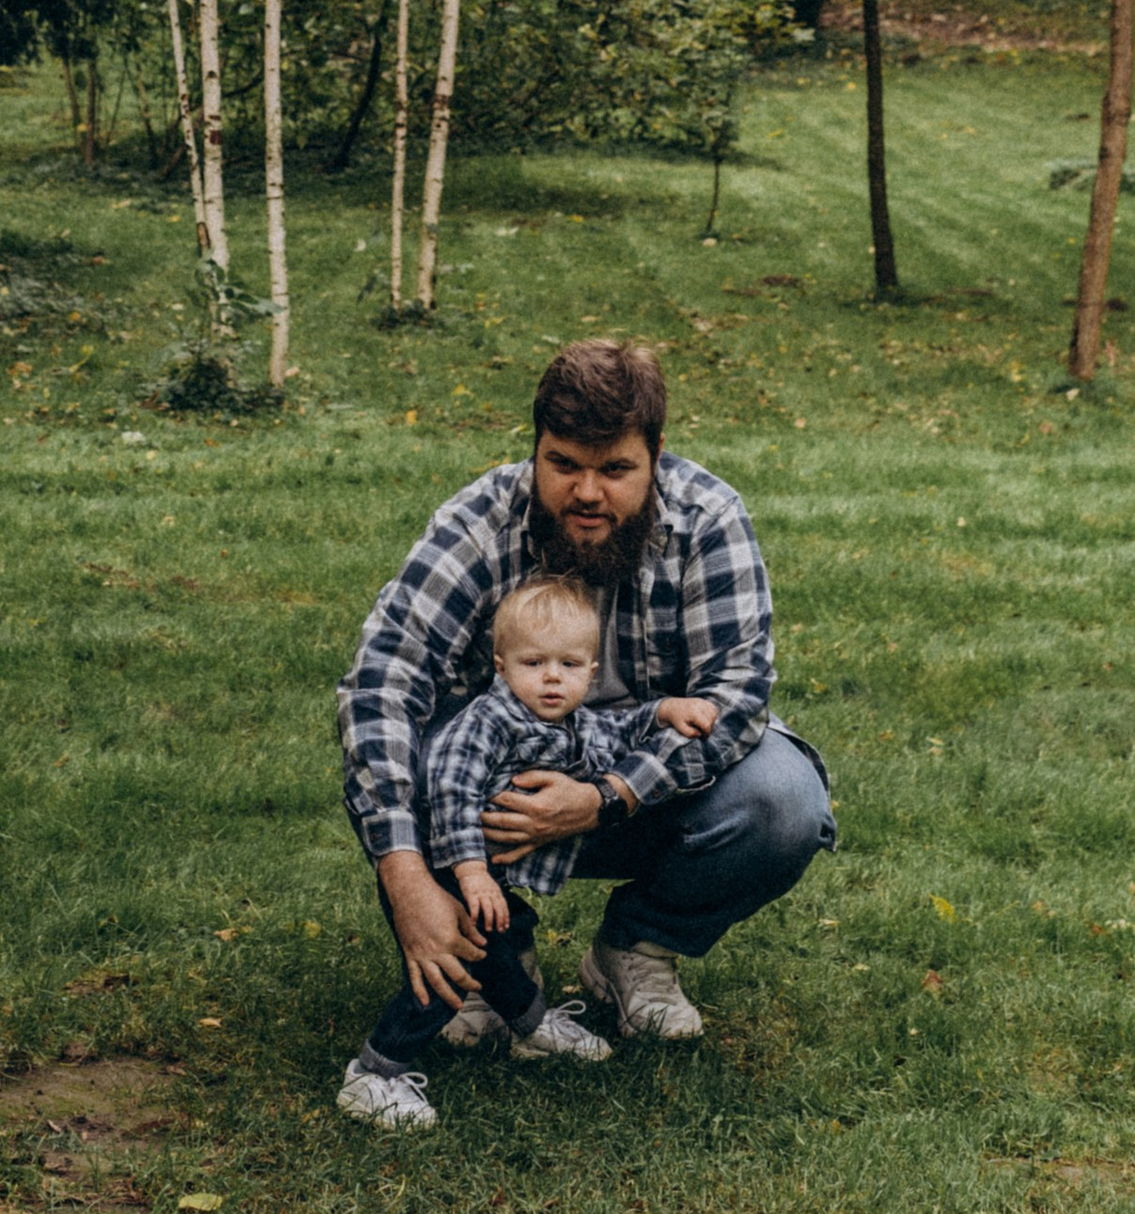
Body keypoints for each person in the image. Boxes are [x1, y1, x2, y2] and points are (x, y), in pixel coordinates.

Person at [337, 335, 834, 1109]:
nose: (588, 493)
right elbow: (381, 682)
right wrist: (403, 874)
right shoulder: (479, 521)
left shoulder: (709, 520)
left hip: (642, 793)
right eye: (564, 464)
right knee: (412, 753)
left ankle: (636, 947)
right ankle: (492, 961)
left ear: (657, 455)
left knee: (784, 800)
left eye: (615, 469)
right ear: (535, 449)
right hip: (490, 805)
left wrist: (605, 795)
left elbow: (737, 694)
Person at [336, 570, 723, 1129]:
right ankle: (377, 1071)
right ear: (501, 666)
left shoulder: (573, 720)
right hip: (444, 865)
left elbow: (616, 730)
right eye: (533, 663)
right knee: (454, 967)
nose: (550, 679)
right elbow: (448, 789)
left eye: (568, 666)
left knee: (498, 947)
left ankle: (533, 1027)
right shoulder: (489, 722)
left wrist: (662, 712)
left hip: (490, 872)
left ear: (590, 674)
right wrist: (469, 873)